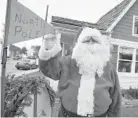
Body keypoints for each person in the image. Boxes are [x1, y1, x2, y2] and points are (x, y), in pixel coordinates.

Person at [38, 27, 122, 117]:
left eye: (94, 41)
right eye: (86, 41)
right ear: (78, 44)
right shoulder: (67, 62)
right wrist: (48, 49)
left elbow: (116, 97)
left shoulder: (109, 67)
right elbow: (50, 71)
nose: (90, 44)